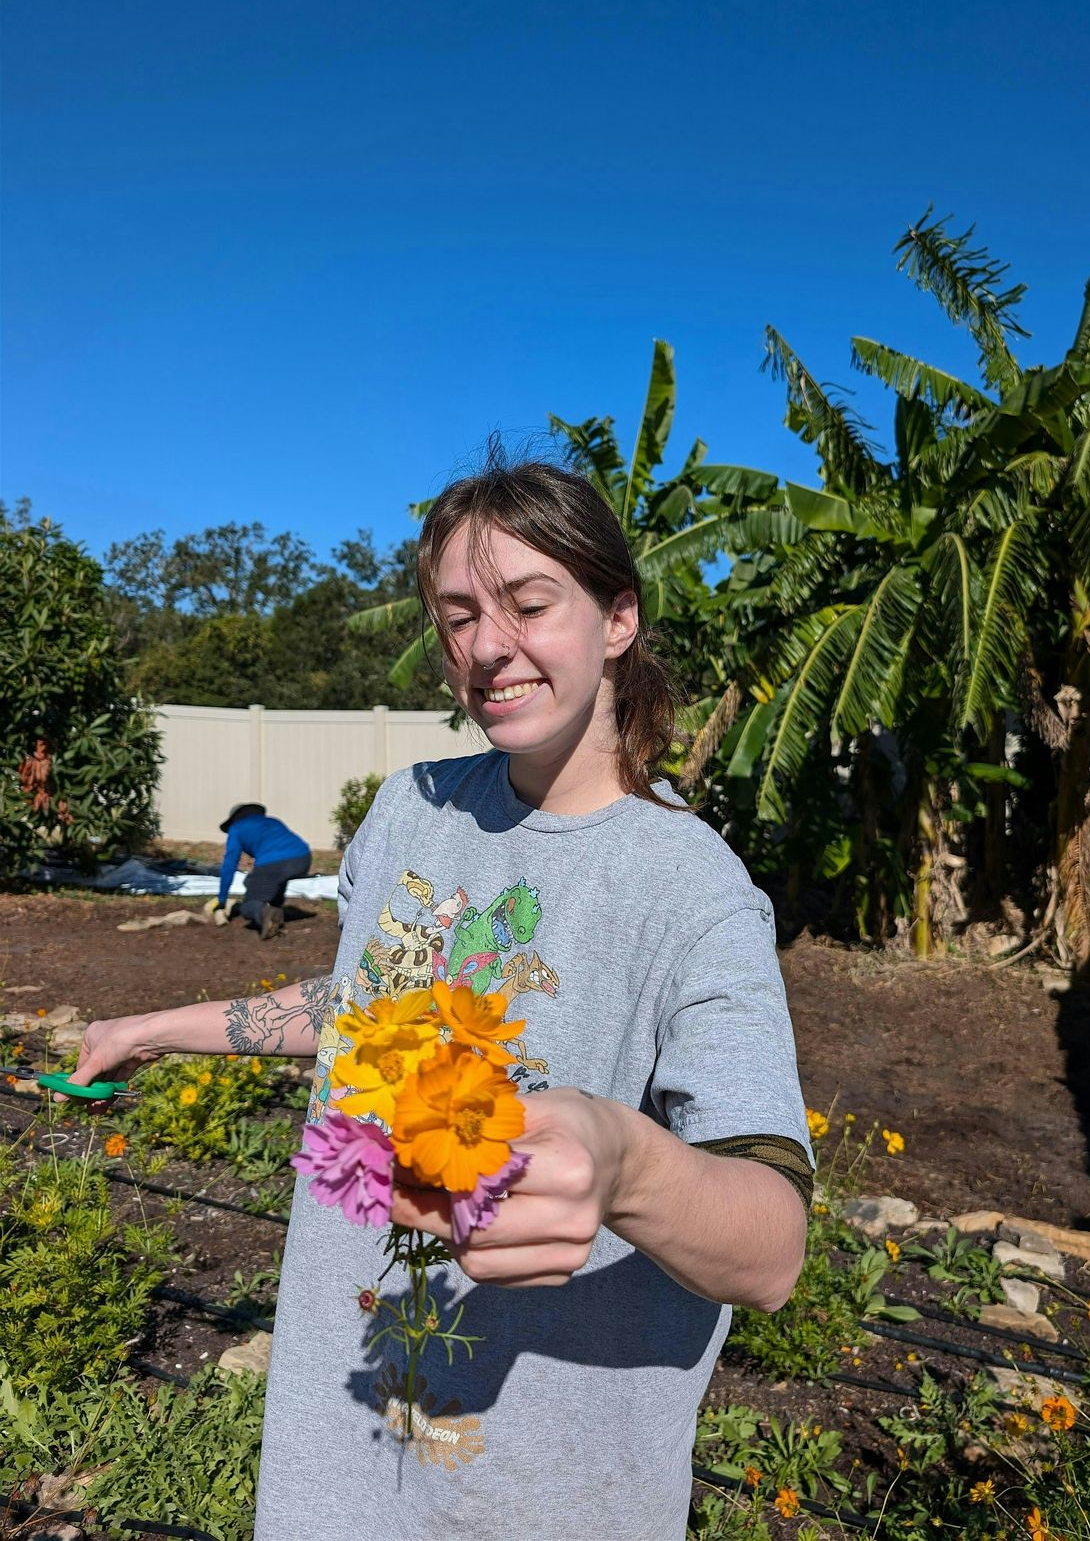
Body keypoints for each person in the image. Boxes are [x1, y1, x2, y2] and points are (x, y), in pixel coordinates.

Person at [73, 449, 813, 1541]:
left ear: (618, 617)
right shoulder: (415, 809)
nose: (487, 647)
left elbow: (774, 1244)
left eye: (527, 602)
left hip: (538, 1493)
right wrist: (164, 1027)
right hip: (337, 1447)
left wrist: (626, 1159)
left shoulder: (693, 892)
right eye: (459, 615)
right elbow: (368, 999)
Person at [209, 802, 311, 940]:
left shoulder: (236, 828)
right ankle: (276, 908)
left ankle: (265, 914)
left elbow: (229, 864)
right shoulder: (273, 821)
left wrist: (222, 899)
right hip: (303, 858)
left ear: (234, 819)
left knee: (248, 906)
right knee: (260, 880)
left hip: (273, 863)